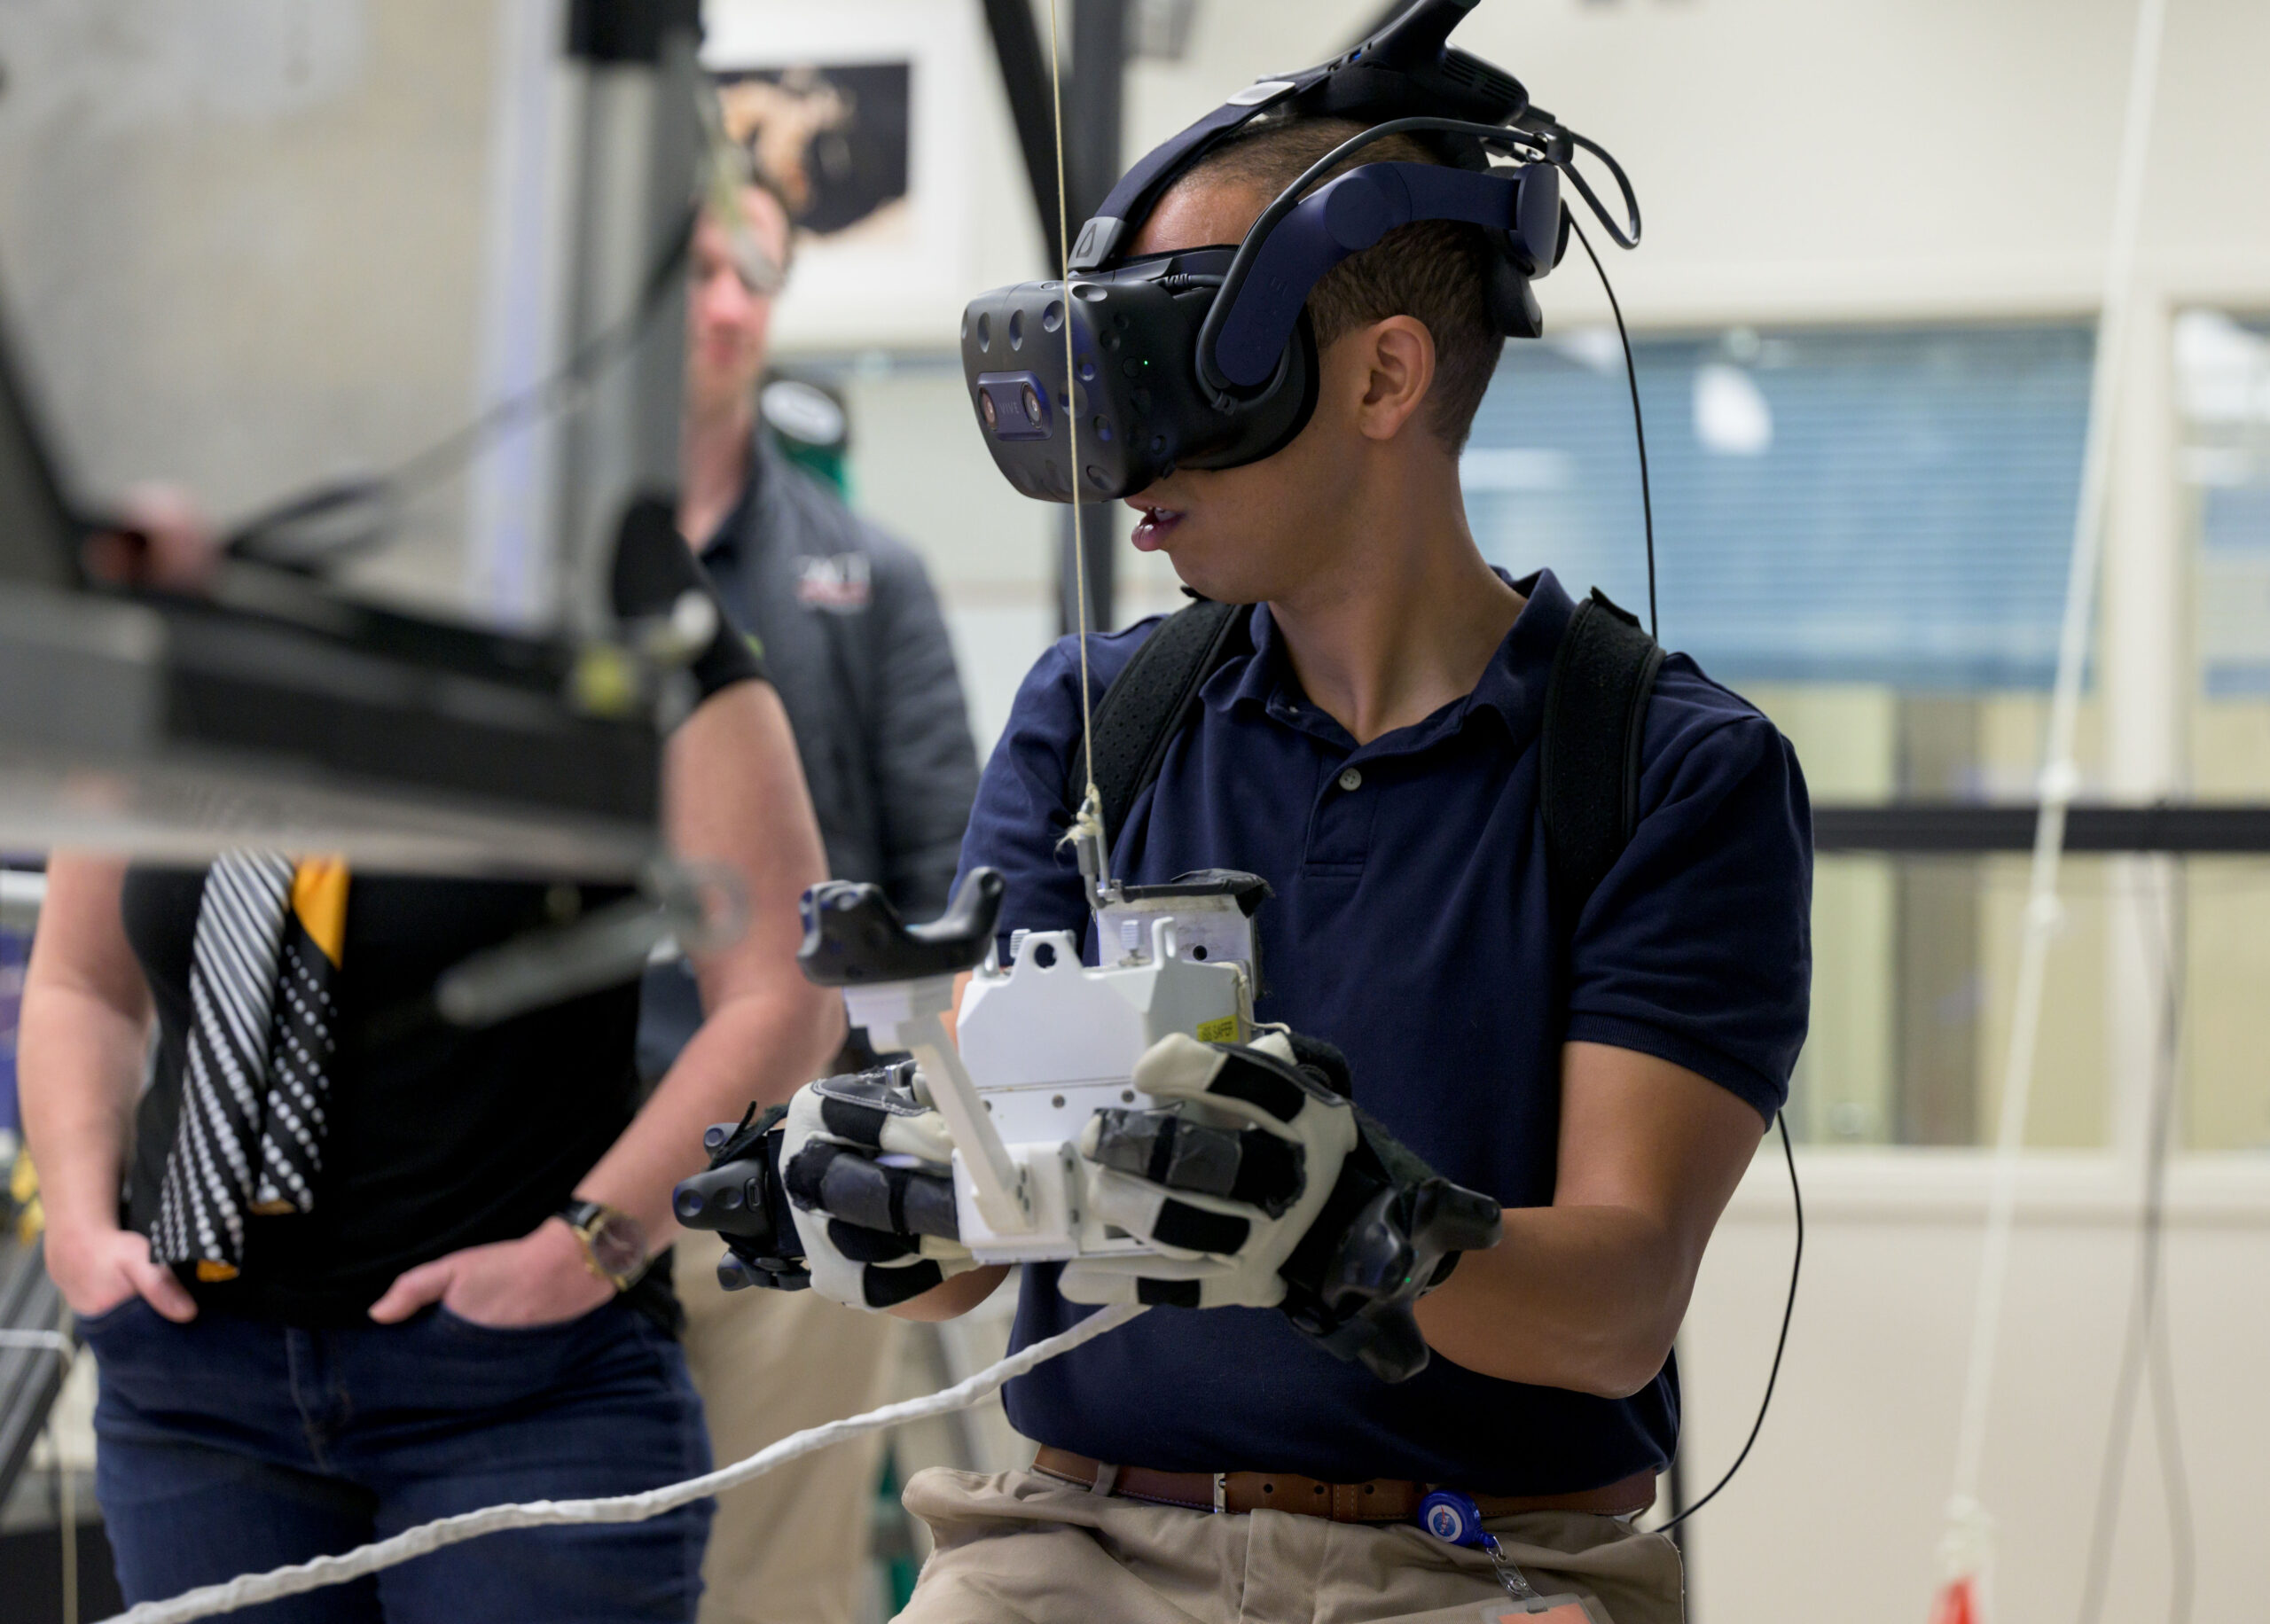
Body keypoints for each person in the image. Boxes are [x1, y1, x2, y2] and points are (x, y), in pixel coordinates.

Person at [768, 115, 1813, 1624]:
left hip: (1477, 1566)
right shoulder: (1097, 722)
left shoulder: (1668, 769)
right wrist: (856, 1191)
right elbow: (958, 1269)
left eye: (1188, 358)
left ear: (1384, 377)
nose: (1131, 446)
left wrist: (1338, 1215)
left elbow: (1616, 1311)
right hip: (1075, 1553)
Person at [20, 535, 841, 1622]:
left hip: (519, 1382)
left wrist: (586, 1248)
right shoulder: (178, 577)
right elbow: (80, 982)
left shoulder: (602, 566)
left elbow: (784, 990)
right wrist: (79, 1230)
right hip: (192, 1387)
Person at [647, 163, 981, 1624]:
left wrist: (906, 1145)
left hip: (784, 1178)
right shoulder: (514, 568)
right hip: (543, 1164)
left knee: (770, 1588)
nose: (730, 305)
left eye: (759, 276)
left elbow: (950, 879)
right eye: (699, 268)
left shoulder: (868, 577)